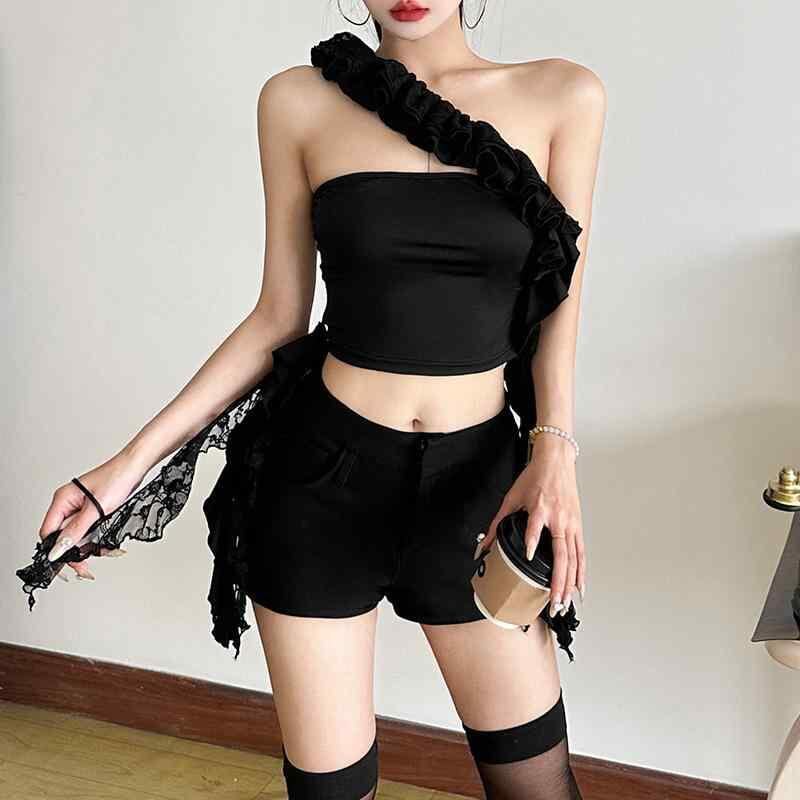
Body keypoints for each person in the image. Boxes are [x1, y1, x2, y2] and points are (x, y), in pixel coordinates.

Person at [19, 2, 606, 797]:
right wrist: (121, 473)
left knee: (537, 787)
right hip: (321, 483)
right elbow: (277, 317)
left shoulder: (564, 96)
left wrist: (554, 450)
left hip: (478, 492)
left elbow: (563, 306)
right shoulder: (297, 101)